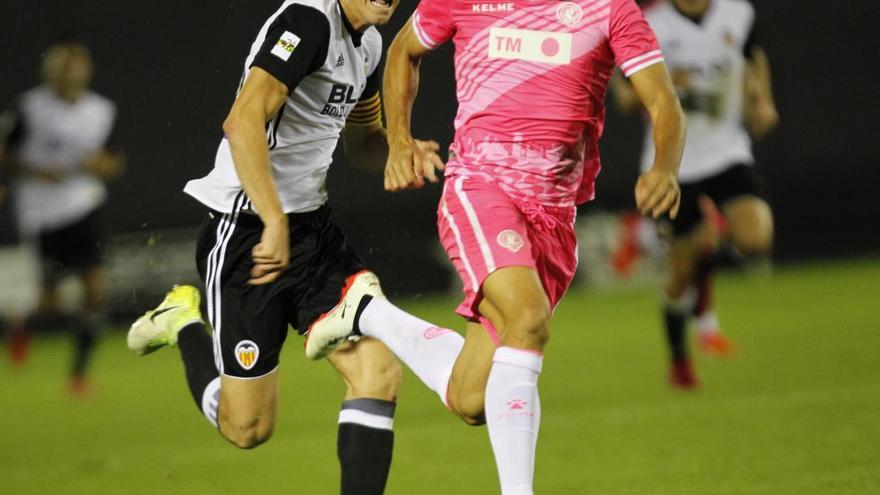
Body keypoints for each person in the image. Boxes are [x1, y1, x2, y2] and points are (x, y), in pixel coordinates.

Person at [305, 0, 686, 492]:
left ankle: (369, 312)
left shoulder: (610, 9)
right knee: (527, 318)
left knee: (471, 399)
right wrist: (399, 140)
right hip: (481, 188)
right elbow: (402, 51)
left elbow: (663, 102)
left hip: (553, 216)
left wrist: (664, 168)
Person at [126, 0, 441, 492]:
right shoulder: (307, 21)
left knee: (377, 372)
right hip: (245, 232)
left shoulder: (372, 44)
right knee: (247, 428)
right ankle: (184, 323)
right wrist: (272, 217)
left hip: (313, 234)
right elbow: (242, 121)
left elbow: (362, 144)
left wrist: (401, 149)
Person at [611, 0, 778, 387]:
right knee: (681, 269)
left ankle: (706, 240)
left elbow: (752, 56)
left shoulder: (738, 13)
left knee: (755, 239)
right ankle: (679, 358)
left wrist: (762, 98)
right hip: (673, 165)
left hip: (727, 151)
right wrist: (665, 83)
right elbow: (624, 96)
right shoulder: (650, 24)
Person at [0, 37, 124, 394]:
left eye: (75, 65)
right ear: (50, 71)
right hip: (42, 211)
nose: (68, 73)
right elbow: (5, 155)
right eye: (61, 66)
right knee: (49, 303)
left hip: (84, 204)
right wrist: (33, 170)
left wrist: (100, 165)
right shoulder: (29, 108)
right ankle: (21, 321)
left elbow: (115, 162)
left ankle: (79, 375)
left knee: (95, 288)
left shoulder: (101, 110)